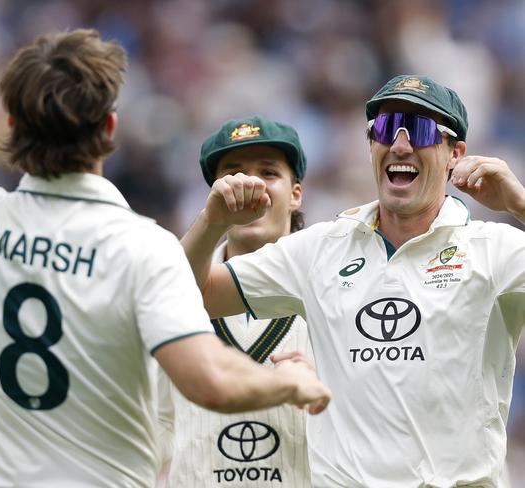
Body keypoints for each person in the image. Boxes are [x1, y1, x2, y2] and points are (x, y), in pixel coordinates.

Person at [0, 10, 332, 488]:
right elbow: (210, 382)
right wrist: (289, 382)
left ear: (10, 123)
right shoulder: (144, 248)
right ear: (109, 128)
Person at [182, 73, 525, 487]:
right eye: (383, 128)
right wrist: (210, 221)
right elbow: (190, 296)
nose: (400, 144)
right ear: (370, 145)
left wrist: (519, 203)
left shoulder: (495, 249)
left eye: (418, 129)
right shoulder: (319, 248)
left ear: (456, 153)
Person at [157, 116, 315, 487]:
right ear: (214, 193)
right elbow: (156, 420)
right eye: (234, 173)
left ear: (296, 194)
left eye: (268, 172)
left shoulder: (330, 285)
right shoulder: (171, 284)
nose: (250, 185)